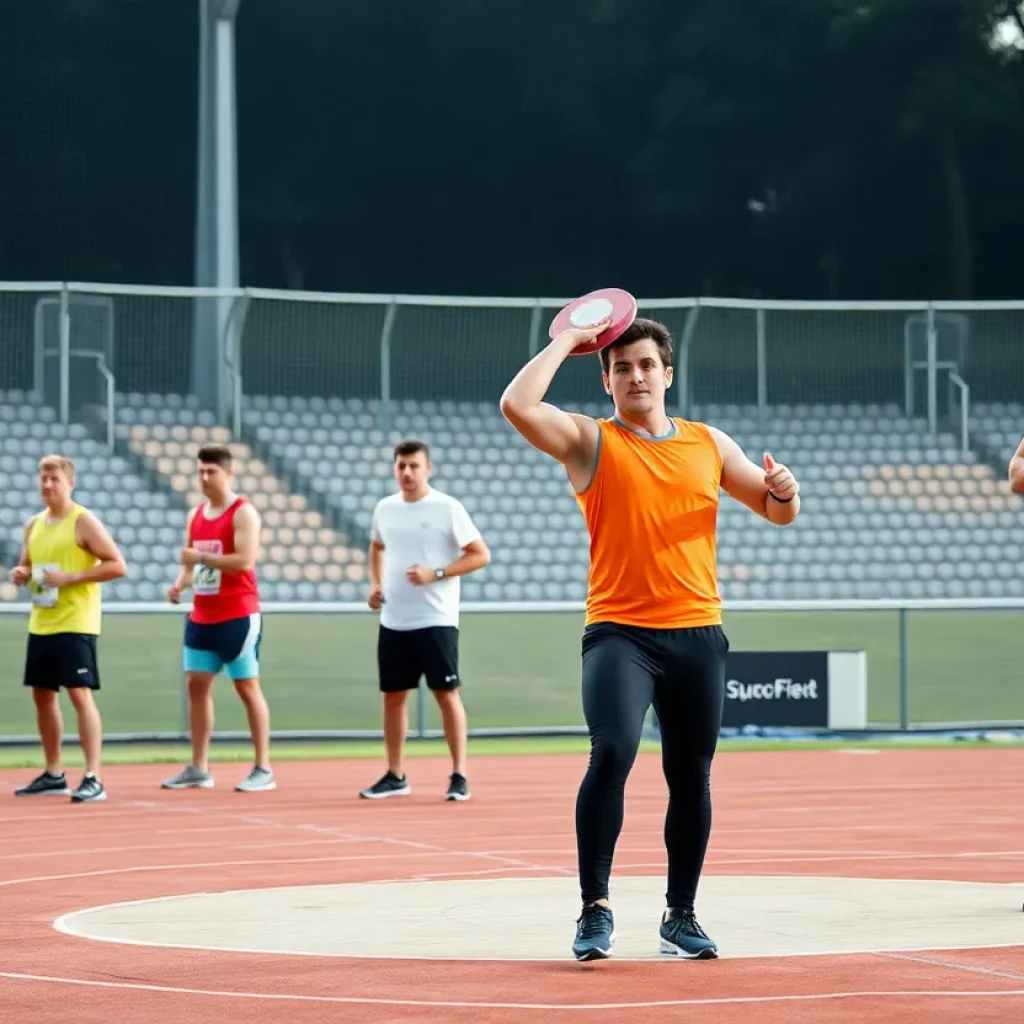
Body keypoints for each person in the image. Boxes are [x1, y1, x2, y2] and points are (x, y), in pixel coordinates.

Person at [500, 315, 801, 962]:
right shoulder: (590, 442)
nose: (636, 376)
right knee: (612, 752)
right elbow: (517, 405)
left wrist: (786, 492)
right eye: (622, 368)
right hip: (620, 634)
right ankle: (594, 909)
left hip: (697, 632)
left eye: (646, 366)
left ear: (668, 374)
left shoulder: (708, 443)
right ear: (607, 382)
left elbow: (776, 512)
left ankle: (681, 914)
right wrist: (568, 342)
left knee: (691, 776)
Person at [359, 439, 490, 803]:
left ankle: (459, 774)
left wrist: (437, 572)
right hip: (394, 620)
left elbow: (480, 555)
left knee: (446, 694)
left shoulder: (447, 508)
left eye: (414, 466)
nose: (406, 472)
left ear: (427, 469)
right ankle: (395, 774)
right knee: (393, 697)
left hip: (436, 618)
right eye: (401, 465)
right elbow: (376, 546)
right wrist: (374, 585)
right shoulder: (384, 509)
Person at [9, 454, 127, 803]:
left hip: (76, 621)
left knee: (79, 693)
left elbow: (117, 565)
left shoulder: (83, 521)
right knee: (42, 696)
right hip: (42, 620)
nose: (47, 485)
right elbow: (27, 566)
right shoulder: (33, 525)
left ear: (69, 483)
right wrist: (21, 574)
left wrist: (71, 577)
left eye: (54, 479)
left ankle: (93, 777)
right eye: (43, 478)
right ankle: (54, 773)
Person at [161, 444, 275, 793]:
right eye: (200, 471)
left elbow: (244, 561)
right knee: (196, 686)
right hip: (202, 616)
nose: (205, 477)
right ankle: (199, 766)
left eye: (211, 471)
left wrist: (201, 559)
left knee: (247, 687)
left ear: (228, 474)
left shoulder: (243, 513)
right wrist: (181, 582)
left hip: (237, 614)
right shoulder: (196, 515)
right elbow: (191, 560)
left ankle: (263, 767)